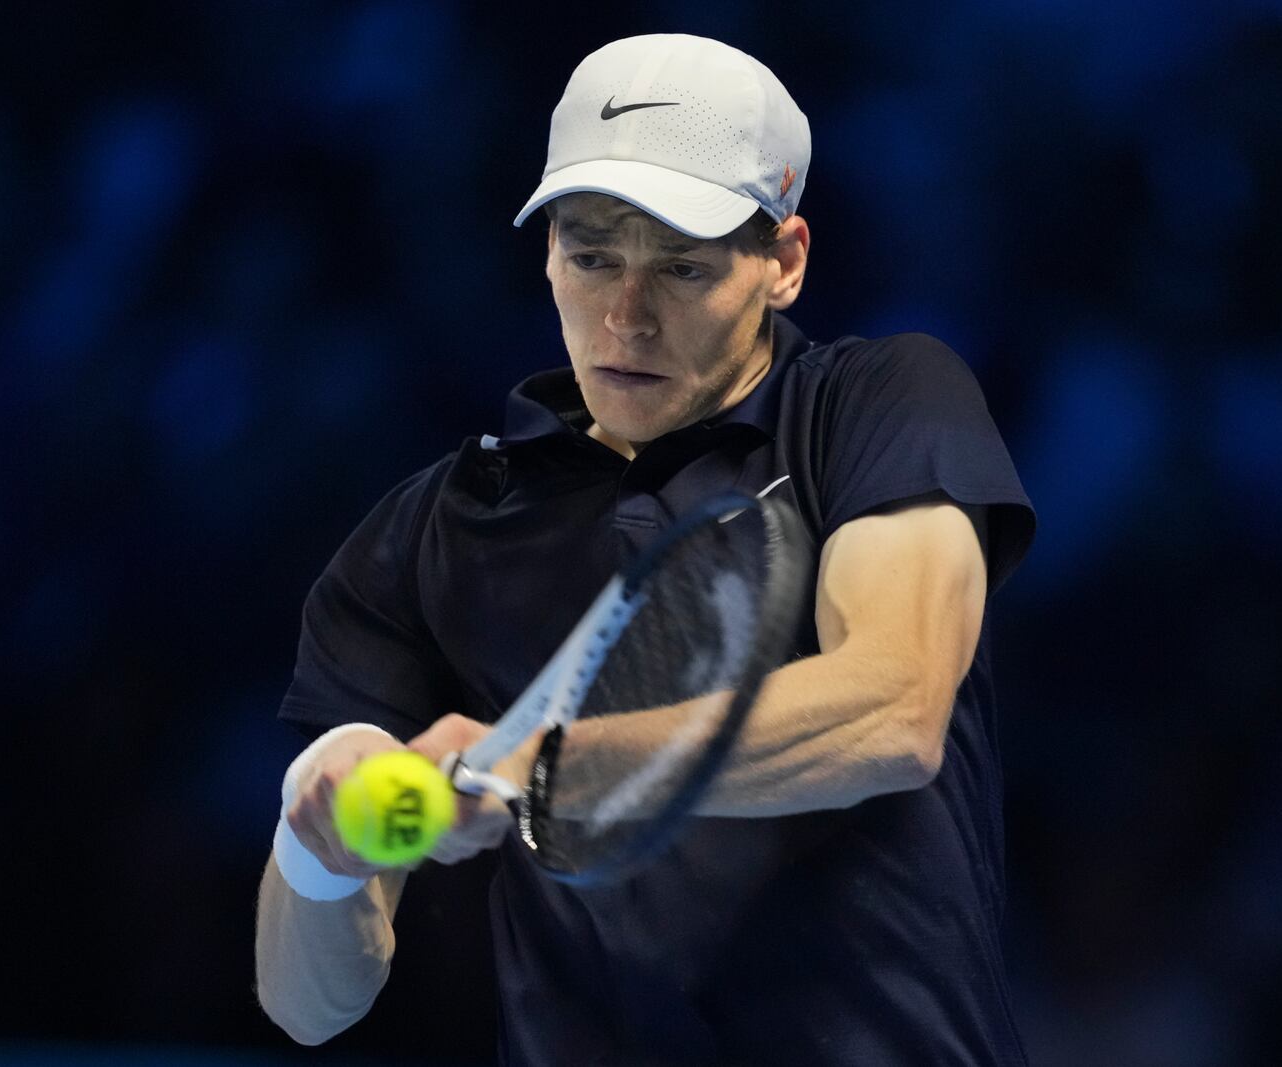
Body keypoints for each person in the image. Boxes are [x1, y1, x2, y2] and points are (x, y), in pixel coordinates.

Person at [255, 33, 1036, 1066]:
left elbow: (890, 710)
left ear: (784, 263)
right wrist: (328, 846)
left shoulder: (875, 401)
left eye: (682, 265)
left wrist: (534, 769)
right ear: (546, 254)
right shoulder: (429, 530)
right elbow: (309, 1004)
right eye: (590, 257)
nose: (627, 315)